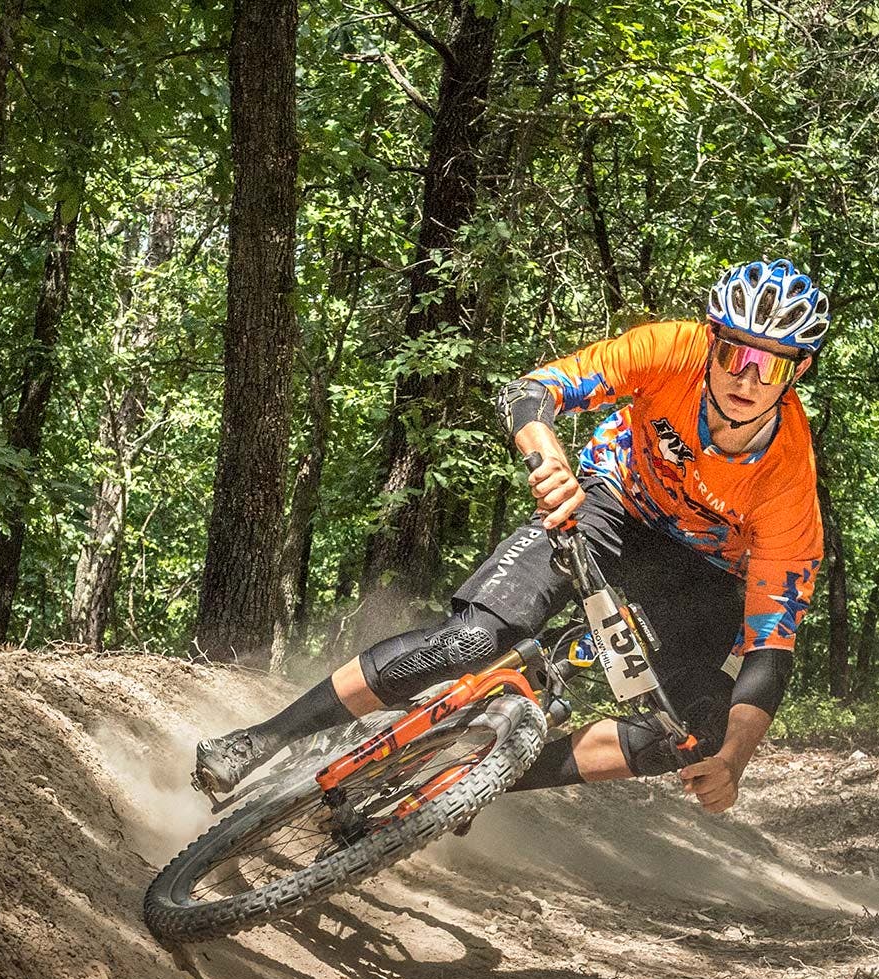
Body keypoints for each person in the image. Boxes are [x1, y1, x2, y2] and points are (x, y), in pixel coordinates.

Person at [196, 259, 831, 815]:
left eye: (767, 366)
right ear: (710, 340)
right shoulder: (669, 351)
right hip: (612, 505)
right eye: (732, 354)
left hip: (706, 574)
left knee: (693, 738)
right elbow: (535, 389)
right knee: (471, 640)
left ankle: (476, 782)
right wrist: (546, 451)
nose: (744, 380)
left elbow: (770, 649)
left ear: (796, 371)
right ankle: (262, 740)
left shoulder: (788, 484)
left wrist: (736, 763)